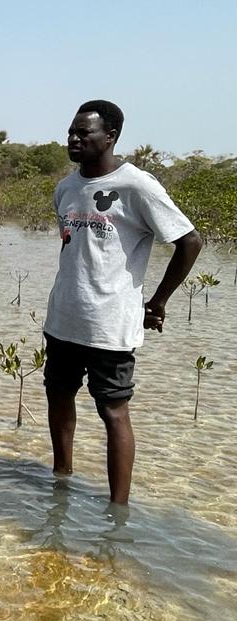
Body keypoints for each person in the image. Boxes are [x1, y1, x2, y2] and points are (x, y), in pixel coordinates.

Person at [44, 100, 202, 505]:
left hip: (110, 324)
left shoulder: (137, 186)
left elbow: (188, 241)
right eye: (71, 133)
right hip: (63, 318)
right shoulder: (65, 188)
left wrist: (159, 300)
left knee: (113, 412)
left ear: (110, 137)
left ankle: (118, 510)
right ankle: (60, 483)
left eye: (84, 133)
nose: (74, 139)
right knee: (59, 398)